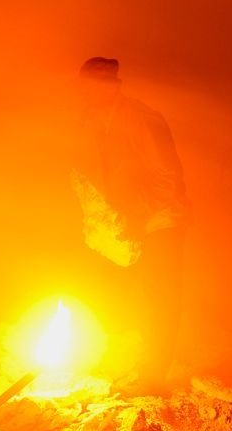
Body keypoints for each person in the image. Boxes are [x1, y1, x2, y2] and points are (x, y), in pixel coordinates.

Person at [78, 57, 189, 395]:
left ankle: (153, 379)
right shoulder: (96, 119)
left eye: (101, 86)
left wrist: (134, 218)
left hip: (161, 222)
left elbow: (167, 179)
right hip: (130, 223)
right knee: (118, 290)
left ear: (115, 86)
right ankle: (122, 363)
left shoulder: (143, 120)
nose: (92, 93)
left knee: (159, 299)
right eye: (87, 87)